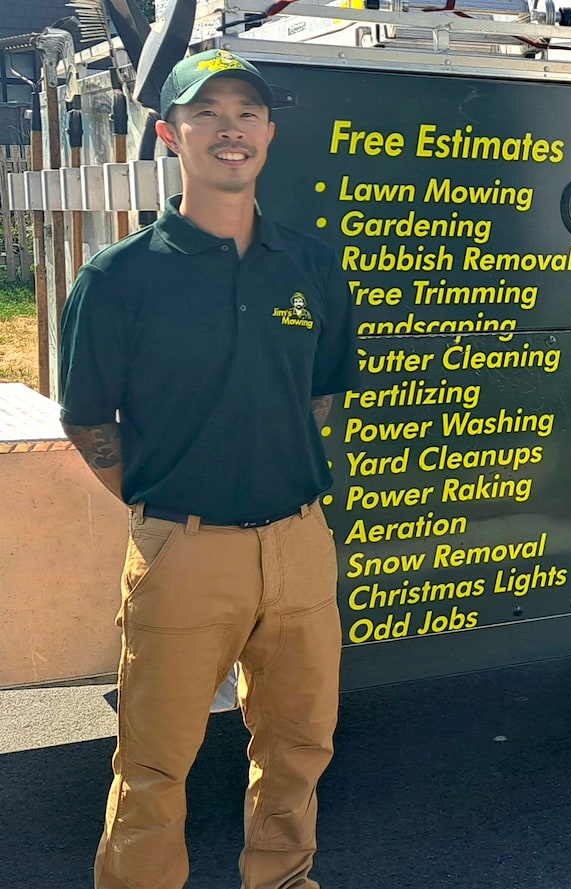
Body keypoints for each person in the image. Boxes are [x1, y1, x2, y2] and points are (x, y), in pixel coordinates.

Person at [58, 48, 358, 889]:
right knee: (154, 763)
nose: (231, 129)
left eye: (248, 113)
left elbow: (322, 392)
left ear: (269, 131)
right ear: (170, 134)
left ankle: (284, 878)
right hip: (183, 551)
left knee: (300, 746)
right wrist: (170, 502)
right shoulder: (119, 278)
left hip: (300, 545)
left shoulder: (311, 264)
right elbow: (86, 418)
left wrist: (264, 466)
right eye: (207, 113)